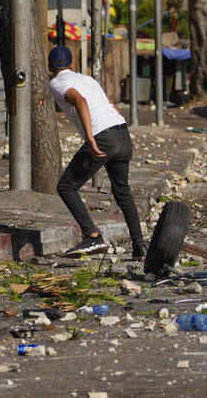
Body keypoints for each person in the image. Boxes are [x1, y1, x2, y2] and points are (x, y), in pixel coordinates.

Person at [47, 46, 146, 259]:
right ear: (72, 65)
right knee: (123, 193)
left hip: (103, 137)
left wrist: (91, 139)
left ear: (50, 67)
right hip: (122, 133)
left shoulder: (56, 83)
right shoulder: (87, 79)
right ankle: (140, 247)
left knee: (66, 187)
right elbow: (112, 106)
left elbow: (80, 101)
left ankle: (92, 236)